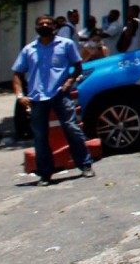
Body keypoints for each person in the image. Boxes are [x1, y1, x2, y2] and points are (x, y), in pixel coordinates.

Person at [12, 14, 95, 185]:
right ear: (36, 27)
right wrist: (20, 95)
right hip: (37, 98)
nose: (44, 25)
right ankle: (45, 174)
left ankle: (85, 165)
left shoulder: (66, 44)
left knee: (72, 128)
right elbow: (17, 73)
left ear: (54, 27)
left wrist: (70, 81)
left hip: (60, 94)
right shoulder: (29, 49)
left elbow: (78, 67)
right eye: (40, 23)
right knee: (40, 136)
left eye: (48, 23)